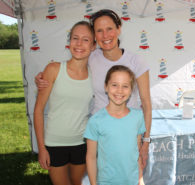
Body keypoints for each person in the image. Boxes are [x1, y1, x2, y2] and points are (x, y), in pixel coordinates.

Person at [36, 9, 152, 169]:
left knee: (129, 183)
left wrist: (145, 142)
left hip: (128, 135)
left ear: (119, 28)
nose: (105, 35)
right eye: (99, 31)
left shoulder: (136, 61)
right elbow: (69, 68)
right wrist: (42, 77)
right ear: (95, 38)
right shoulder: (91, 56)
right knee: (101, 184)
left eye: (109, 29)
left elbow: (146, 104)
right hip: (98, 138)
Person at [33, 21, 95, 185]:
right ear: (69, 42)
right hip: (54, 144)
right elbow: (38, 111)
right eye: (75, 38)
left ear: (93, 46)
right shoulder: (53, 69)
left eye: (85, 40)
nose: (79, 44)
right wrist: (42, 147)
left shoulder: (95, 75)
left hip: (81, 143)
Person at [84, 65, 146, 185]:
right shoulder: (96, 121)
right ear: (106, 87)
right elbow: (91, 158)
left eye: (125, 86)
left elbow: (137, 152)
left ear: (131, 90)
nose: (119, 90)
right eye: (114, 85)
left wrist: (140, 179)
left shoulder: (137, 117)